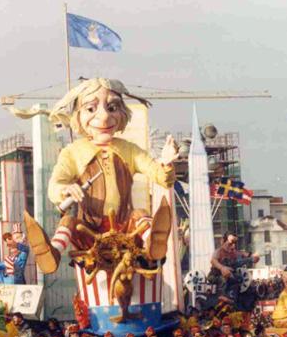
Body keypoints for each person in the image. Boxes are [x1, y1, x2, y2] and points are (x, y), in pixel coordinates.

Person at [24, 78, 177, 274]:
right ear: (78, 116)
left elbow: (161, 176)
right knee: (69, 222)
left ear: (121, 112)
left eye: (112, 107)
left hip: (124, 228)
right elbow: (55, 186)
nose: (104, 117)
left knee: (139, 214)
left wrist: (166, 163)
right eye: (91, 109)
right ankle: (52, 252)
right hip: (89, 232)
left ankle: (153, 244)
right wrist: (65, 189)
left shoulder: (129, 150)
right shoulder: (73, 152)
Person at [210, 232, 259, 302]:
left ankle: (233, 296)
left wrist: (252, 257)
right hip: (216, 276)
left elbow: (244, 255)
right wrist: (222, 268)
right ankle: (222, 295)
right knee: (223, 278)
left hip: (229, 276)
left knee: (238, 278)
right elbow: (213, 261)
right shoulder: (219, 252)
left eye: (235, 243)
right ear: (223, 241)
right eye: (231, 243)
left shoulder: (233, 253)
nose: (233, 246)